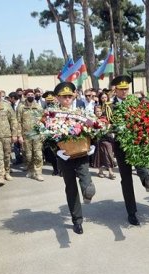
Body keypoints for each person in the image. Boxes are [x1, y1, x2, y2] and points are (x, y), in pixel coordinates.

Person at [109, 75, 149, 226]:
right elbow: (106, 125)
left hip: (137, 144)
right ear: (115, 90)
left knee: (142, 165)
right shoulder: (110, 107)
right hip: (121, 146)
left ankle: (147, 180)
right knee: (127, 179)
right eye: (121, 89)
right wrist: (114, 130)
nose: (124, 92)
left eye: (126, 89)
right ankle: (131, 212)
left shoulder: (136, 102)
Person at [53, 82, 96, 235]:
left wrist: (93, 145)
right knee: (71, 188)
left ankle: (88, 192)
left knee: (86, 180)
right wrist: (57, 151)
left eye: (70, 96)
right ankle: (77, 220)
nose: (67, 99)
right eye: (64, 97)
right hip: (64, 157)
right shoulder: (52, 114)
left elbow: (92, 129)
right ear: (58, 98)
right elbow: (47, 137)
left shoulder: (80, 112)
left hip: (81, 154)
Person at [16, 88, 45, 181]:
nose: (31, 96)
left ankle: (38, 172)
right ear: (25, 96)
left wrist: (43, 133)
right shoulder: (21, 107)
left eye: (32, 95)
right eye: (28, 95)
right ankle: (30, 170)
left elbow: (43, 121)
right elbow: (18, 122)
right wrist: (19, 135)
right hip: (26, 136)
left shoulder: (39, 107)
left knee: (38, 154)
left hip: (37, 135)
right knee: (28, 155)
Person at [93, 104, 116, 179]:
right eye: (97, 111)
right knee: (98, 155)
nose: (98, 112)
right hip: (98, 140)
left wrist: (107, 128)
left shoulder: (105, 118)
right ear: (94, 112)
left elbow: (109, 127)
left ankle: (110, 172)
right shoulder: (92, 119)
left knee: (109, 154)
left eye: (100, 111)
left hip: (107, 139)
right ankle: (100, 171)